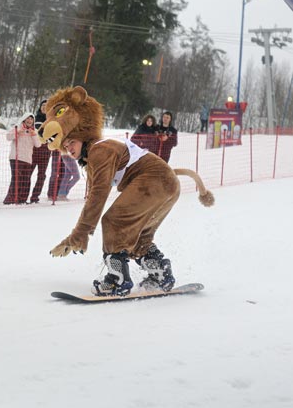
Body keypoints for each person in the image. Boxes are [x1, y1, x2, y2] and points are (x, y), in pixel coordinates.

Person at [40, 86, 214, 297]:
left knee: (114, 222)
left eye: (71, 142)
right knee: (139, 236)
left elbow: (98, 194)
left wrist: (80, 232)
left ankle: (116, 281)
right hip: (167, 184)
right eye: (65, 146)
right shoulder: (94, 154)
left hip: (155, 181)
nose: (68, 147)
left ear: (83, 136)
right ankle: (160, 273)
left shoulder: (99, 150)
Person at [3, 112, 41, 204]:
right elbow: (8, 137)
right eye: (28, 118)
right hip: (16, 157)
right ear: (24, 119)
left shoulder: (34, 131)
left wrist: (34, 135)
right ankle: (10, 199)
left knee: (26, 180)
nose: (29, 120)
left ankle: (22, 199)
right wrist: (17, 133)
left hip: (27, 158)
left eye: (31, 119)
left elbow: (38, 144)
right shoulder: (18, 127)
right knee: (16, 179)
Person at [29, 99, 50, 203]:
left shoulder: (51, 120)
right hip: (34, 150)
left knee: (41, 175)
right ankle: (23, 195)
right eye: (42, 105)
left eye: (46, 106)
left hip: (46, 151)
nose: (44, 107)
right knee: (28, 173)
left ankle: (35, 197)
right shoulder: (34, 118)